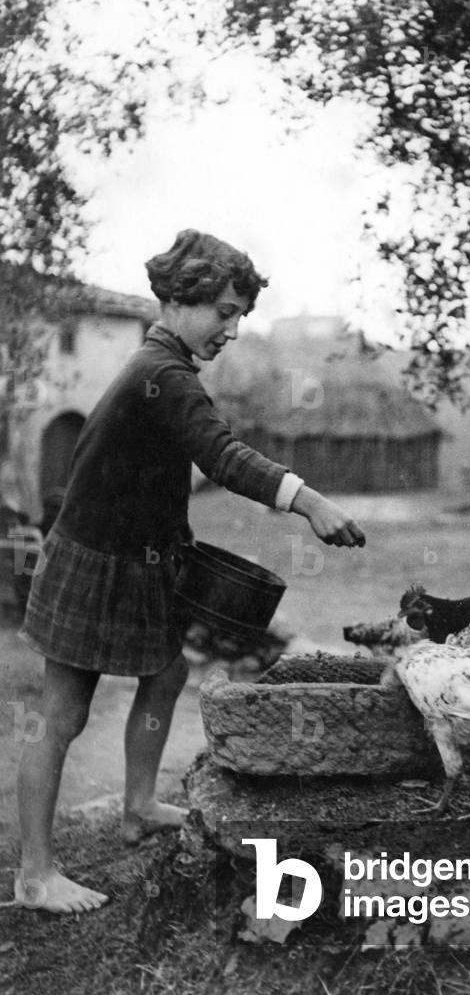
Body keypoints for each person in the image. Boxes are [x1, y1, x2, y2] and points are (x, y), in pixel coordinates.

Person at [14, 229, 365, 915]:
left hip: (135, 558)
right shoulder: (163, 376)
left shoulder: (165, 368)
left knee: (167, 671)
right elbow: (222, 454)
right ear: (178, 298)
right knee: (60, 714)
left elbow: (158, 477)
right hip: (91, 560)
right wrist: (309, 500)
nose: (233, 328)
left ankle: (139, 805)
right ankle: (33, 873)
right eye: (225, 311)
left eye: (240, 316)